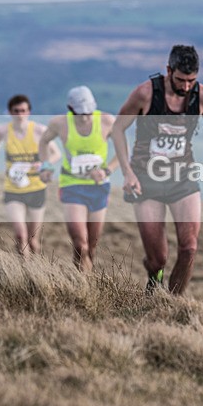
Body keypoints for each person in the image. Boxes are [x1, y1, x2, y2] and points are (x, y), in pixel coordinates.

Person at [111, 44, 203, 295]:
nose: (185, 87)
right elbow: (117, 129)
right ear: (168, 70)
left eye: (191, 81)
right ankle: (154, 279)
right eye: (181, 80)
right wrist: (127, 172)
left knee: (189, 248)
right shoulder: (145, 94)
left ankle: (171, 303)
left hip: (182, 178)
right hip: (145, 180)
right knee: (158, 258)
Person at [39, 86, 118, 273]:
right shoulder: (59, 123)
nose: (85, 117)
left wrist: (107, 170)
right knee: (80, 244)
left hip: (98, 188)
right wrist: (46, 165)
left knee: (91, 246)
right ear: (70, 108)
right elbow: (43, 142)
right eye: (80, 113)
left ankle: (85, 283)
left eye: (89, 112)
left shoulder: (107, 121)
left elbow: (124, 151)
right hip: (71, 186)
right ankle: (80, 284)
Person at [0, 95, 61, 256]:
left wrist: (43, 164)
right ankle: (24, 272)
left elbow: (56, 153)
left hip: (36, 189)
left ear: (29, 112)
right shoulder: (3, 130)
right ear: (10, 112)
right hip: (13, 189)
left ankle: (37, 271)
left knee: (33, 241)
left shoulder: (40, 130)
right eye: (16, 111)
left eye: (23, 110)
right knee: (20, 236)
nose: (20, 114)